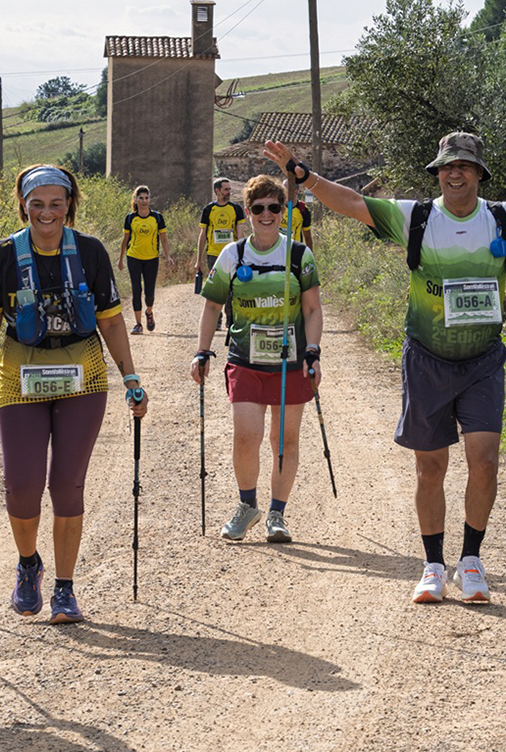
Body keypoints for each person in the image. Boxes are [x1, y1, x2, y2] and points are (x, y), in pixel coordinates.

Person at [264, 132, 504, 605]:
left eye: (465, 166)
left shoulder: (500, 219)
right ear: (437, 173)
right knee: (430, 466)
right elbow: (352, 202)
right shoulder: (417, 217)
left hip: (484, 360)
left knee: (486, 462)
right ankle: (433, 565)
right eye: (446, 167)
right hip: (427, 360)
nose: (455, 173)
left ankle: (471, 560)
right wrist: (304, 175)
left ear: (479, 173)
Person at [0, 164, 148, 625]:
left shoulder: (89, 252)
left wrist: (130, 379)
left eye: (56, 203)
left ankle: (65, 588)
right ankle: (29, 564)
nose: (47, 213)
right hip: (19, 371)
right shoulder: (3, 254)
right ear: (23, 205)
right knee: (21, 486)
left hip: (81, 372)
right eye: (37, 203)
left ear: (70, 204)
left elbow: (109, 320)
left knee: (66, 484)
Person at [190, 174, 322, 544]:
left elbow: (312, 309)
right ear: (247, 212)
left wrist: (314, 352)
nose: (267, 214)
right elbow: (212, 306)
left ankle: (277, 514)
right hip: (245, 358)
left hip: (290, 361)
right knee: (247, 436)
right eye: (259, 208)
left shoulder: (298, 255)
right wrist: (202, 351)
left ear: (284, 212)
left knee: (284, 440)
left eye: (274, 207)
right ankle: (247, 506)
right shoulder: (233, 255)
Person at [118, 185, 173, 334]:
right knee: (136, 289)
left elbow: (164, 239)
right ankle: (138, 324)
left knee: (149, 292)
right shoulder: (130, 218)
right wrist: (121, 259)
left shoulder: (157, 218)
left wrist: (168, 256)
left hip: (151, 259)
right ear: (135, 200)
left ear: (150, 199)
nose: (144, 201)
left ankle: (149, 313)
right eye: (140, 198)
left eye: (146, 198)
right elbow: (125, 240)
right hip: (133, 257)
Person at [196, 178, 246, 331]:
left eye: (230, 189)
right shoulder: (208, 210)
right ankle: (217, 320)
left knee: (232, 289)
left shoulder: (236, 209)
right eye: (226, 189)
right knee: (217, 290)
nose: (229, 192)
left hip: (232, 255)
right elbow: (203, 235)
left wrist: (243, 254)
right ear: (217, 191)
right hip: (213, 255)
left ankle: (230, 320)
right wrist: (198, 260)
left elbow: (241, 232)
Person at [279, 179, 313, 249]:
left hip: (294, 250)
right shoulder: (276, 206)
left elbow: (308, 237)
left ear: (295, 191)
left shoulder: (303, 210)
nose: (282, 192)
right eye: (282, 188)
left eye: (285, 188)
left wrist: (310, 257)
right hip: (277, 249)